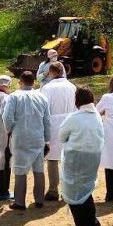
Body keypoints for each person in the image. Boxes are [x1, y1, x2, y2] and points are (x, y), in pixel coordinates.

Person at [59, 86, 105, 226]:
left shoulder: (75, 117)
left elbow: (61, 136)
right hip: (93, 157)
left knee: (74, 192)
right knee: (86, 191)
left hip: (76, 158)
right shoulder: (97, 115)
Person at [2, 71, 52, 210]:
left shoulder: (14, 97)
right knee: (38, 170)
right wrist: (47, 139)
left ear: (21, 82)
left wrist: (9, 130)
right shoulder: (42, 97)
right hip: (37, 137)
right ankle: (39, 199)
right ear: (33, 82)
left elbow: (7, 117)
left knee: (20, 170)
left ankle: (19, 201)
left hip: (21, 137)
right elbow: (47, 120)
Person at [40, 61, 77, 201]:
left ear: (51, 72)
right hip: (70, 122)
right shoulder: (71, 87)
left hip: (53, 124)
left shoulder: (47, 88)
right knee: (68, 158)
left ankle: (53, 189)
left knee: (53, 158)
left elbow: (44, 109)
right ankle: (69, 189)